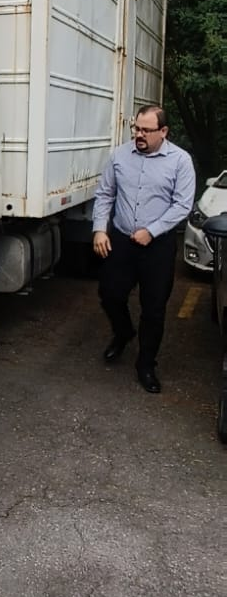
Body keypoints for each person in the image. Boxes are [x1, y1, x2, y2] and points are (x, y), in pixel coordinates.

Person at [92, 105, 196, 393]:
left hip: (158, 245)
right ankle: (124, 332)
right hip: (122, 240)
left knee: (154, 308)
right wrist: (100, 229)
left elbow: (182, 205)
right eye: (136, 128)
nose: (139, 135)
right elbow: (105, 194)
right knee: (109, 293)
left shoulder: (180, 161)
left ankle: (146, 365)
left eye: (146, 130)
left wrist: (152, 231)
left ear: (163, 132)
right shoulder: (119, 155)